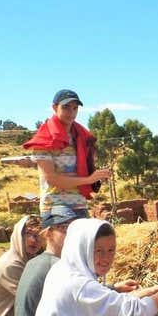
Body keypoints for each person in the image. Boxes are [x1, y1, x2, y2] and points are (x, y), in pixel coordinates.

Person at [22, 89, 111, 221]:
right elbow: (52, 179)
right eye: (66, 107)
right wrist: (89, 180)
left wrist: (99, 175)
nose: (71, 113)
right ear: (54, 107)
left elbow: (84, 170)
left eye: (75, 108)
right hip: (55, 207)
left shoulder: (82, 137)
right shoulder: (44, 140)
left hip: (80, 205)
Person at [14, 207, 81, 316]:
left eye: (73, 229)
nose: (71, 235)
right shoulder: (57, 266)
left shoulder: (36, 262)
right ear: (49, 233)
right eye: (64, 229)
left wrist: (113, 288)